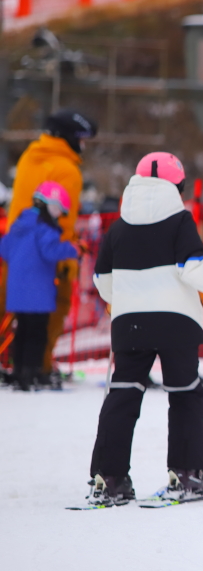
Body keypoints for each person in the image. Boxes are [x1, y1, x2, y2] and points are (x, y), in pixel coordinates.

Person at [87, 152, 203, 506]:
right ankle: (186, 475)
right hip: (175, 321)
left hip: (130, 322)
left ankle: (109, 478)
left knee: (123, 394)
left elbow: (102, 279)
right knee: (184, 394)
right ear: (177, 186)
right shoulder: (179, 221)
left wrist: (125, 299)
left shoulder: (117, 227)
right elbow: (192, 269)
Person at [0, 109, 97, 386]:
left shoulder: (30, 156)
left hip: (16, 255)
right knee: (45, 321)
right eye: (81, 139)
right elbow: (61, 224)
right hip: (46, 262)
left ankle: (16, 367)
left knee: (15, 320)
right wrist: (69, 257)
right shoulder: (67, 170)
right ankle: (38, 369)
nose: (83, 145)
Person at [0, 182, 78, 390]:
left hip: (17, 292)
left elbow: (5, 250)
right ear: (52, 206)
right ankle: (32, 373)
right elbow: (51, 251)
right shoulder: (45, 228)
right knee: (37, 334)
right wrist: (73, 249)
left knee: (22, 332)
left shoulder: (18, 224)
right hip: (38, 292)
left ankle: (19, 372)